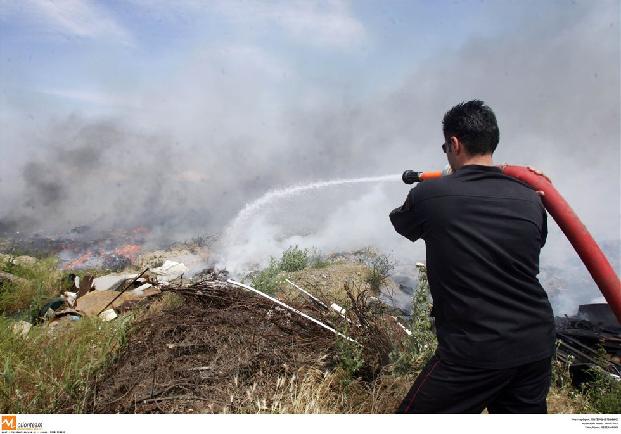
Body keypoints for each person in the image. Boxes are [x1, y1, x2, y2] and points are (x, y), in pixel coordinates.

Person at [389, 100, 556, 414]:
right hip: (535, 346)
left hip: (475, 352)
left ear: (454, 143)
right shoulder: (531, 199)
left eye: (445, 145)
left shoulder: (429, 195)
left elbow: (402, 223)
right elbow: (535, 245)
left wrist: (444, 183)